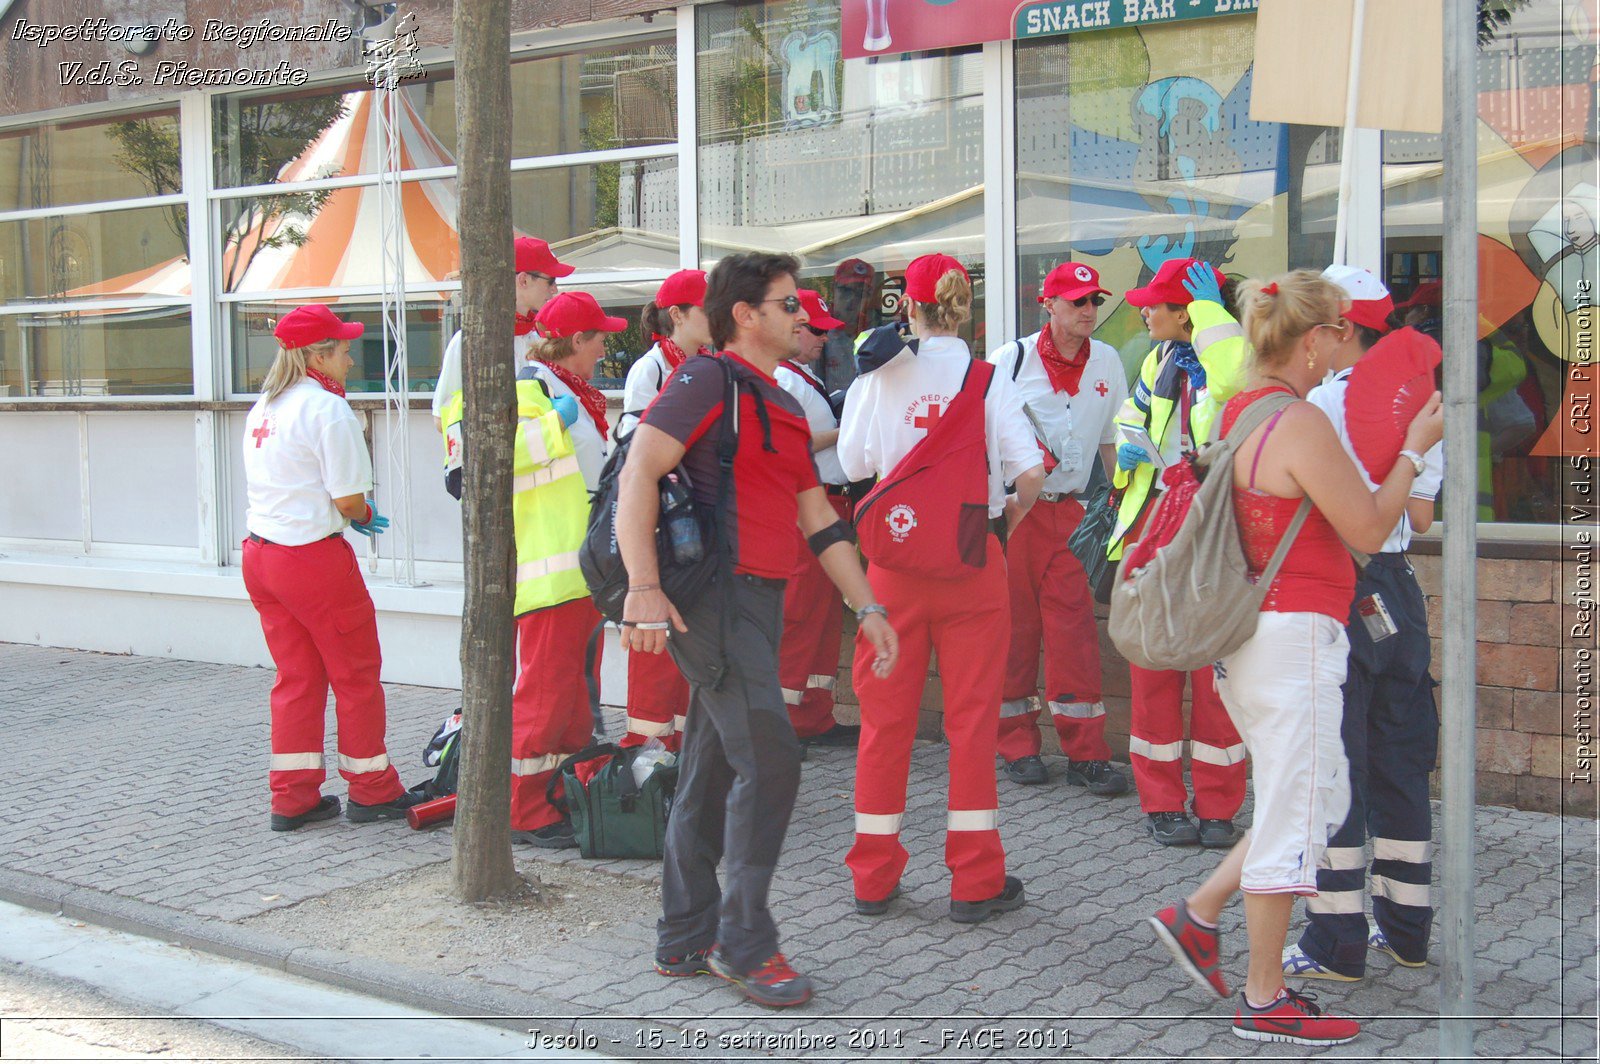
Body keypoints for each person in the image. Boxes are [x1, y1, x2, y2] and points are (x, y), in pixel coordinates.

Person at [1146, 269, 1443, 1047]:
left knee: (1306, 795)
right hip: (1294, 639)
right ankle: (1264, 995)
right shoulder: (1301, 422)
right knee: (1296, 815)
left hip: (1254, 640)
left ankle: (1200, 913)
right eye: (1342, 335)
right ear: (1314, 339)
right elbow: (1373, 528)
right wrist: (1414, 449)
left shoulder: (1244, 411)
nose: (1346, 352)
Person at [617, 253, 898, 1008]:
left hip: (758, 603)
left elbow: (818, 519)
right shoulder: (706, 378)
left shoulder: (780, 401)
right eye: (788, 305)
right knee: (771, 754)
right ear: (745, 314)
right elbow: (638, 473)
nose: (803, 318)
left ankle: (684, 936)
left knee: (714, 764)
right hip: (713, 599)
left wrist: (867, 608)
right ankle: (743, 944)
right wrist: (642, 588)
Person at [837, 253, 1045, 924]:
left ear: (911, 307)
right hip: (971, 560)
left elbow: (852, 463)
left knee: (883, 723)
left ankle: (872, 877)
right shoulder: (989, 378)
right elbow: (1030, 470)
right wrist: (1004, 522)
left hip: (893, 568)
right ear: (967, 307)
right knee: (973, 724)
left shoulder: (882, 372)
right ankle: (975, 880)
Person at [1281, 266, 1443, 981]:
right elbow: (1420, 516)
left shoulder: (1317, 408)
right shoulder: (1419, 403)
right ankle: (1408, 932)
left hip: (1343, 591)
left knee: (1334, 765)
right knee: (1403, 762)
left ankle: (1336, 943)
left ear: (1337, 328)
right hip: (1401, 596)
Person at [242, 305, 420, 831]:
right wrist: (364, 515)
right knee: (356, 675)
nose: (349, 356)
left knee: (296, 678)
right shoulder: (327, 410)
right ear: (318, 355)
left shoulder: (264, 407)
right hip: (312, 558)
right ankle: (371, 789)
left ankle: (293, 798)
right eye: (341, 348)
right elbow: (347, 499)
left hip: (262, 555)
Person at [1110, 257, 1249, 848]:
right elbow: (1130, 415)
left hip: (1216, 533)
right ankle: (1162, 802)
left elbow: (1234, 382)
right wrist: (1128, 449)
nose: (1144, 310)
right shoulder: (1157, 359)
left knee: (1216, 673)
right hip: (1159, 527)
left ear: (1186, 310)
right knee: (1154, 668)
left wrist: (1213, 314)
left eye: (1156, 303)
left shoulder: (1232, 348)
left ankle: (1219, 806)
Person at [987, 262, 1129, 795]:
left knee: (1074, 633)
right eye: (1077, 301)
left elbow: (1114, 439)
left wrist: (1120, 504)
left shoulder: (1109, 360)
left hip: (1074, 510)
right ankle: (1016, 744)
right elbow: (986, 433)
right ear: (1049, 304)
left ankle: (1086, 753)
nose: (1089, 310)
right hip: (1019, 511)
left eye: (1094, 300)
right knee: (1017, 629)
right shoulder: (1012, 359)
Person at [507, 291, 628, 849]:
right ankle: (524, 809)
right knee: (546, 693)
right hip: (550, 570)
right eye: (599, 337)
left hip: (581, 568)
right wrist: (554, 422)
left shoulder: (575, 391)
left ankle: (558, 793)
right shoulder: (532, 388)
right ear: (576, 342)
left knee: (575, 696)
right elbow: (502, 454)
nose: (606, 346)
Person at [615, 270, 712, 750]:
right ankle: (646, 749)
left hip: (692, 520)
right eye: (706, 307)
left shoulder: (706, 363)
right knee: (655, 636)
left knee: (684, 633)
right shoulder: (649, 369)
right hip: (661, 523)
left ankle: (677, 747)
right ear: (677, 315)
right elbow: (634, 452)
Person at [774, 288, 859, 748]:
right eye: (817, 331)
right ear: (794, 326)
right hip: (808, 506)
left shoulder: (801, 376)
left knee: (824, 616)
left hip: (829, 504)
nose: (824, 340)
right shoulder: (783, 379)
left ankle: (814, 717)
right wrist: (848, 431)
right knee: (800, 614)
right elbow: (790, 445)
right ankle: (785, 726)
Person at [432, 236, 571, 435]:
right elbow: (441, 419)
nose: (555, 289)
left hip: (536, 462)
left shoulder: (538, 338)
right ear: (523, 279)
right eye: (550, 280)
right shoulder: (469, 341)